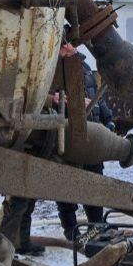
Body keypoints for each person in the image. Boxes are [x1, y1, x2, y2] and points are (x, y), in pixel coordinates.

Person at [56, 56, 113, 240]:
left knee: (94, 183)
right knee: (67, 186)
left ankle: (96, 227)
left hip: (92, 134)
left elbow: (97, 96)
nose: (72, 46)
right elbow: (53, 100)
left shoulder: (84, 66)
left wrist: (107, 118)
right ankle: (72, 232)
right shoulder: (54, 69)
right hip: (69, 137)